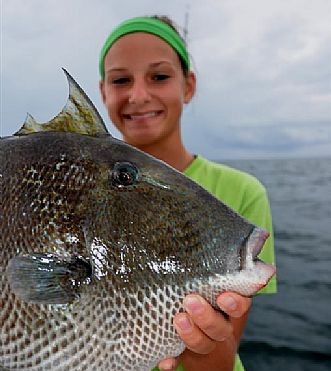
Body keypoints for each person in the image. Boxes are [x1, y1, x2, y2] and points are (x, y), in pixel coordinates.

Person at [98, 15, 276, 371]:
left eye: (159, 77)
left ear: (188, 85)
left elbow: (222, 355)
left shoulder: (240, 192)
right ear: (103, 91)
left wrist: (201, 343)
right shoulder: (83, 184)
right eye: (121, 80)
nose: (138, 95)